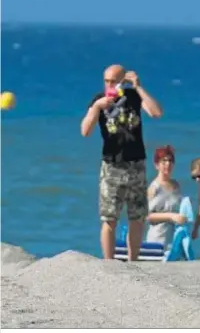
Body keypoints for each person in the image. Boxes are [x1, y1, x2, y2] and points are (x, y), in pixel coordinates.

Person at [81, 64, 163, 261]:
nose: (110, 85)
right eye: (106, 81)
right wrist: (97, 108)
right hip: (112, 166)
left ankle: (133, 262)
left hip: (136, 164)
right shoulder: (98, 101)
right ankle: (109, 264)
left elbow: (156, 113)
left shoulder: (133, 97)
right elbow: (85, 131)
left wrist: (138, 87)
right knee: (109, 218)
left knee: (137, 218)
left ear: (122, 81)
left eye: (114, 81)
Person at [145, 145, 187, 248]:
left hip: (175, 239)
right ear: (157, 165)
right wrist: (171, 216)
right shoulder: (154, 188)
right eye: (163, 161)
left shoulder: (176, 185)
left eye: (170, 161)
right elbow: (146, 216)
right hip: (157, 239)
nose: (167, 164)